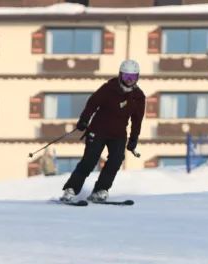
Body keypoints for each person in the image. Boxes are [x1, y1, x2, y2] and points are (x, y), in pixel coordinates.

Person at [60, 59, 145, 202]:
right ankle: (71, 190)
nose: (129, 80)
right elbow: (92, 104)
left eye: (133, 77)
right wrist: (84, 120)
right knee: (89, 161)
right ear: (120, 75)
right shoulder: (108, 88)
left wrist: (133, 140)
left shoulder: (138, 97)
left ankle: (100, 190)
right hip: (98, 130)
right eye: (126, 77)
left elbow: (137, 120)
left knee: (116, 160)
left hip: (118, 134)